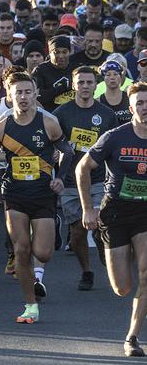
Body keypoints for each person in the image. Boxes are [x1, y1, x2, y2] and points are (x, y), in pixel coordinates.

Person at [0, 71, 73, 324]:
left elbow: (67, 151)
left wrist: (60, 178)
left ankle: (49, 229)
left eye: (27, 92)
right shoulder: (2, 126)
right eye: (18, 92)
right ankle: (30, 304)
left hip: (43, 193)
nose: (23, 97)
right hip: (14, 193)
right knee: (21, 250)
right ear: (10, 96)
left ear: (35, 94)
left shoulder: (49, 122)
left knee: (42, 253)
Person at [78, 82, 147, 357]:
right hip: (116, 212)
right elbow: (83, 167)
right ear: (131, 108)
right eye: (139, 103)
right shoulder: (115, 136)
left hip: (145, 213)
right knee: (122, 287)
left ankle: (132, 337)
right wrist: (88, 209)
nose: (145, 107)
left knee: (145, 273)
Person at [53, 66, 117, 291]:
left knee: (101, 226)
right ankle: (86, 272)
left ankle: (105, 258)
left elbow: (114, 150)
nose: (85, 87)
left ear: (95, 85)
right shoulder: (61, 113)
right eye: (81, 82)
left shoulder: (107, 115)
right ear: (73, 85)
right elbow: (54, 144)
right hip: (71, 181)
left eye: (89, 82)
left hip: (99, 180)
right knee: (78, 232)